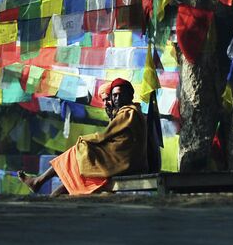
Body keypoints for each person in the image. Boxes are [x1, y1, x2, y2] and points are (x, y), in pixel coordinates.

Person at [18, 78, 148, 196]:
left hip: (123, 160)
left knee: (80, 150)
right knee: (79, 161)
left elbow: (105, 136)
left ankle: (39, 182)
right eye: (114, 96)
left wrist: (84, 139)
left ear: (130, 95)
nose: (115, 99)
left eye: (119, 95)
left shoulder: (128, 112)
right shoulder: (127, 111)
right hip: (121, 157)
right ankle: (47, 190)